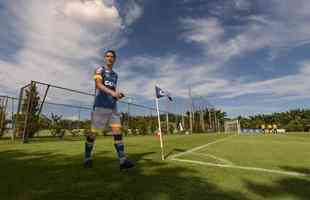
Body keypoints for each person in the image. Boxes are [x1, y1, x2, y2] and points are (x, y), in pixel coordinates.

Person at [84, 50, 134, 170]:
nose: (110, 58)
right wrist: (113, 93)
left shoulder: (115, 75)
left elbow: (112, 90)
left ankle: (122, 161)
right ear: (105, 58)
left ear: (115, 59)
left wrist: (117, 95)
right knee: (93, 134)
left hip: (113, 108)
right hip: (100, 106)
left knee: (118, 132)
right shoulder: (100, 70)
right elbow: (98, 85)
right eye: (107, 56)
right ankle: (87, 158)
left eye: (112, 57)